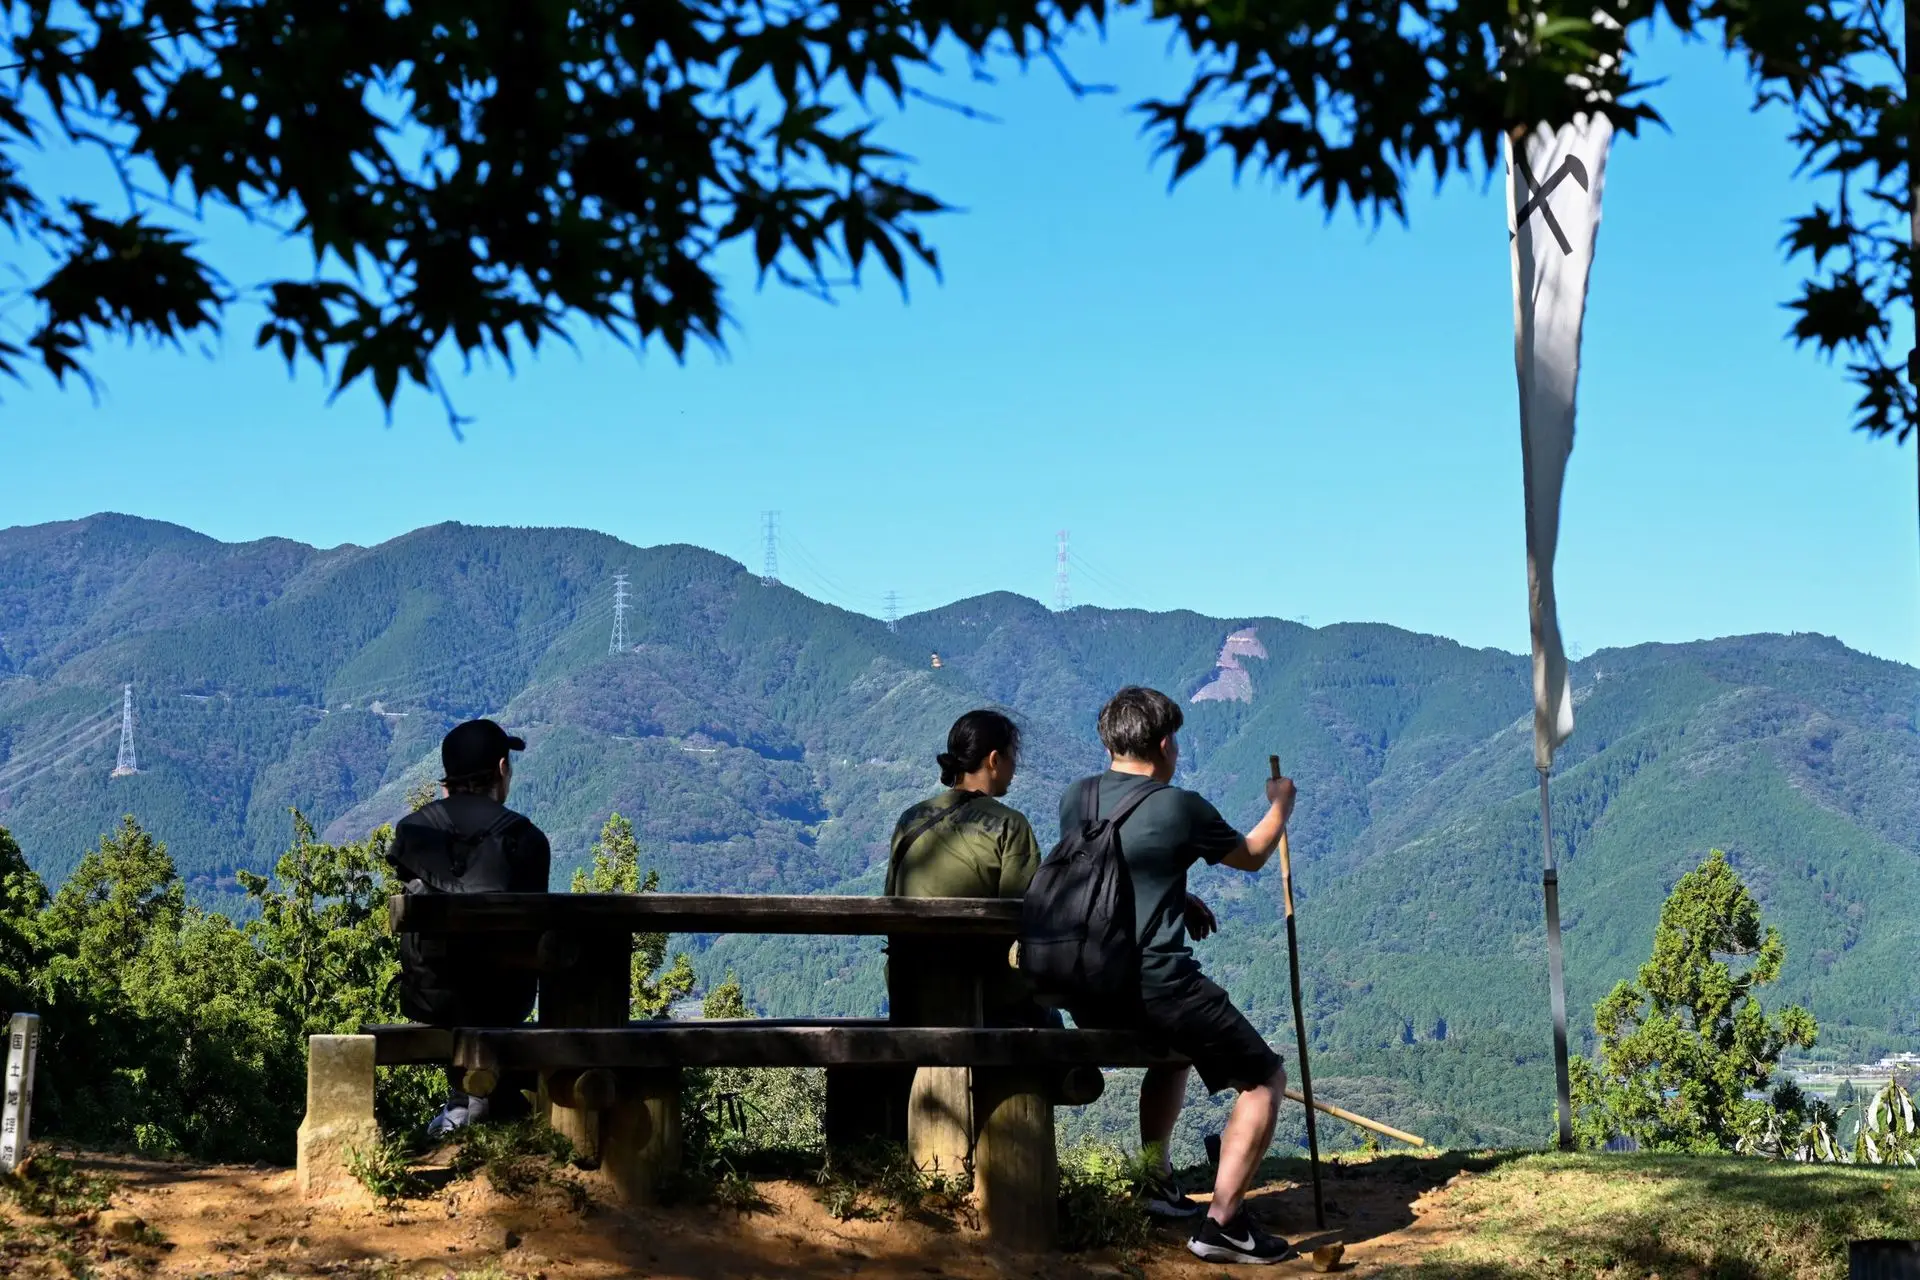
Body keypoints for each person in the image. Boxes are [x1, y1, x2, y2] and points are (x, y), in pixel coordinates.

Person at [1059, 686, 1298, 1265]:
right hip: (1156, 985)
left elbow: (1113, 867)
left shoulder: (1078, 797)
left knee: (1177, 1051)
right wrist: (1280, 806)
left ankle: (1156, 1180)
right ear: (1165, 743)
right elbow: (1251, 854)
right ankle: (1223, 1226)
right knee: (1264, 1077)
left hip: (1086, 986)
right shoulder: (1178, 805)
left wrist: (1177, 893)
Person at [389, 718, 552, 1139]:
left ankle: (467, 1103)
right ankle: (489, 1104)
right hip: (505, 1002)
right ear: (502, 768)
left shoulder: (413, 833)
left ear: (447, 781)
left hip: (429, 999)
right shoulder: (527, 841)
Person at [886, 708, 1042, 1026]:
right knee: (1053, 1028)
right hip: (983, 999)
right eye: (1013, 757)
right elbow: (1026, 917)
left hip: (911, 994)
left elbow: (891, 899)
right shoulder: (1010, 825)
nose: (1015, 768)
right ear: (994, 759)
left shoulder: (910, 818)